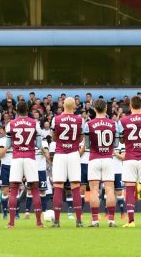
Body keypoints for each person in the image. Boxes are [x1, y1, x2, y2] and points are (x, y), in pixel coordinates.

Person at [5, 100, 46, 228]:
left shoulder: (11, 124)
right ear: (27, 109)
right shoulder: (34, 123)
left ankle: (11, 223)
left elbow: (7, 145)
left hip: (17, 158)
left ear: (16, 110)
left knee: (13, 190)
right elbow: (39, 145)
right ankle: (39, 222)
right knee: (34, 190)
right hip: (30, 158)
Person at [118, 95, 141, 227]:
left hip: (129, 158)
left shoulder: (123, 121)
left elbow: (121, 140)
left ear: (130, 106)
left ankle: (131, 221)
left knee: (129, 189)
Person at [51, 96, 84, 227]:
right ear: (74, 107)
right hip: (74, 154)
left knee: (58, 187)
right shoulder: (80, 120)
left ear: (63, 105)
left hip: (60, 154)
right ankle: (79, 221)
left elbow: (54, 137)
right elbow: (81, 138)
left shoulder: (56, 119)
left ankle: (57, 221)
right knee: (75, 187)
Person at [84, 98, 118, 227]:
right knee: (110, 189)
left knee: (94, 190)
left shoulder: (89, 124)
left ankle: (95, 221)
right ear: (105, 109)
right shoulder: (113, 124)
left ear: (94, 109)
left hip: (94, 158)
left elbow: (87, 145)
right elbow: (116, 143)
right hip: (108, 158)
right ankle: (111, 220)